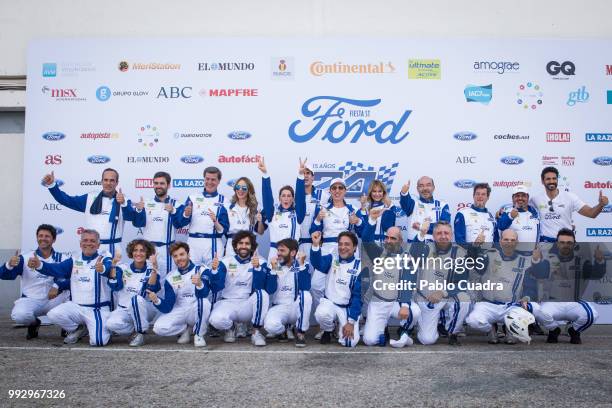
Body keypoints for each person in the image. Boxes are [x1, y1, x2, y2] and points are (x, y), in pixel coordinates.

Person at [465, 229, 551, 344]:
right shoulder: (489, 255)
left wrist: (526, 297)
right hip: (489, 305)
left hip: (511, 306)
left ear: (517, 242)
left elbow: (536, 279)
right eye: (506, 239)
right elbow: (470, 262)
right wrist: (475, 247)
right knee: (473, 321)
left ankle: (510, 327)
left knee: (536, 308)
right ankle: (491, 327)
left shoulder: (524, 260)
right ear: (500, 241)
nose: (509, 242)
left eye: (512, 240)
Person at [32, 229, 114, 346]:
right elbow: (58, 269)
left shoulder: (104, 258)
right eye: (85, 240)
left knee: (98, 342)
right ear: (80, 244)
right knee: (53, 314)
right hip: (76, 307)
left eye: (92, 241)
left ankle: (106, 328)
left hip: (97, 310)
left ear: (98, 244)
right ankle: (79, 329)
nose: (88, 243)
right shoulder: (74, 259)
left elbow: (107, 267)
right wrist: (40, 265)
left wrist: (103, 269)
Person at [309, 177, 362, 339]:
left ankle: (350, 320)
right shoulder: (324, 208)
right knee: (316, 285)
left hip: (347, 250)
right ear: (330, 191)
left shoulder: (352, 208)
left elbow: (362, 232)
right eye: (334, 188)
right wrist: (318, 219)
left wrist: (358, 221)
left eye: (340, 188)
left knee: (350, 286)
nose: (337, 191)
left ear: (345, 190)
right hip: (328, 251)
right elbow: (314, 230)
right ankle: (328, 324)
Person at [361, 211, 420, 348]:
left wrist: (405, 305)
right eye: (386, 237)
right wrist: (372, 220)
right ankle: (382, 334)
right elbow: (366, 239)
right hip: (378, 303)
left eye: (393, 238)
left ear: (400, 241)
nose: (388, 241)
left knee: (414, 311)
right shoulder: (378, 253)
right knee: (369, 340)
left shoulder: (407, 258)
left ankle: (404, 331)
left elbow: (408, 282)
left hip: (395, 303)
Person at [41, 168, 134, 256]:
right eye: (105, 180)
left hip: (114, 250)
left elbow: (133, 218)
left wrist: (124, 204)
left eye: (112, 180)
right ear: (101, 181)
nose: (108, 183)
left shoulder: (124, 200)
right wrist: (52, 186)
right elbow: (66, 200)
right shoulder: (90, 198)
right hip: (90, 248)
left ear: (117, 183)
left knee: (113, 273)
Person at [0, 224, 70, 339]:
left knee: (72, 295)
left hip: (54, 300)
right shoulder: (25, 257)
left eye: (47, 236)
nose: (43, 238)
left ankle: (68, 327)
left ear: (54, 239)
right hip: (31, 299)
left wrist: (58, 285)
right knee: (19, 316)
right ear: (37, 237)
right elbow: (5, 275)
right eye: (40, 236)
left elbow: (71, 279)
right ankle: (34, 323)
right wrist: (9, 265)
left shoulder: (63, 258)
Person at [540, 229, 605, 344]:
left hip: (574, 302)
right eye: (562, 242)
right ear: (557, 243)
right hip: (552, 302)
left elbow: (596, 274)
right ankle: (554, 330)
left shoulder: (582, 261)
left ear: (574, 244)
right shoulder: (547, 260)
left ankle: (574, 330)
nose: (565, 245)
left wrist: (599, 261)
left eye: (569, 243)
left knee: (592, 314)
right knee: (537, 312)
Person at [411, 221, 471, 346]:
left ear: (452, 235)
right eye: (439, 233)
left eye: (446, 233)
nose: (443, 236)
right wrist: (421, 234)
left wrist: (442, 292)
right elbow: (414, 253)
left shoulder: (460, 253)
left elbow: (462, 282)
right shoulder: (426, 247)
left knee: (464, 299)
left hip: (445, 296)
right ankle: (427, 322)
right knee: (427, 340)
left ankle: (452, 332)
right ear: (433, 236)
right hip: (426, 298)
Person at [208, 231, 271, 347]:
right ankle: (230, 328)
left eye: (247, 243)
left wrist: (257, 268)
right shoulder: (225, 261)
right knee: (215, 320)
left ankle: (256, 332)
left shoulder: (260, 261)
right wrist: (215, 271)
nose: (243, 246)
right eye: (240, 243)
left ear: (251, 246)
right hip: (228, 302)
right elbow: (217, 286)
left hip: (247, 305)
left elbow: (261, 286)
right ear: (235, 246)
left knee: (262, 294)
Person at [149, 242, 218, 347]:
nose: (179, 258)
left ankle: (199, 334)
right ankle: (186, 329)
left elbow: (204, 294)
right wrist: (156, 300)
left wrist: (199, 284)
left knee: (204, 303)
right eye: (175, 256)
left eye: (182, 254)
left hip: (195, 309)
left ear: (188, 255)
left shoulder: (202, 270)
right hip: (180, 310)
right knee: (158, 328)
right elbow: (167, 307)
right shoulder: (170, 277)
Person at [126, 172, 185, 275]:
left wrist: (173, 211)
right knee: (148, 280)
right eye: (156, 183)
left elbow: (180, 224)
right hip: (149, 250)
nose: (158, 186)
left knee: (167, 279)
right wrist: (139, 211)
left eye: (162, 183)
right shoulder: (146, 203)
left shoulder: (177, 204)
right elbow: (138, 224)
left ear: (168, 185)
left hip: (167, 250)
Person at [311, 231, 362, 348]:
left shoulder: (360, 267)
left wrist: (351, 322)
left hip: (347, 308)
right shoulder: (332, 259)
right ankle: (328, 329)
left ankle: (342, 325)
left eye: (347, 244)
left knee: (349, 343)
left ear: (354, 247)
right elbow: (317, 263)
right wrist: (315, 245)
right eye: (340, 244)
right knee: (321, 313)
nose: (342, 247)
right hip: (330, 303)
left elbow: (358, 297)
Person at [106, 239, 161, 347]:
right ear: (131, 252)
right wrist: (113, 264)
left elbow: (152, 288)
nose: (138, 253)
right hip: (124, 309)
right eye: (135, 250)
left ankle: (141, 333)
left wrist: (154, 267)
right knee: (110, 324)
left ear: (147, 253)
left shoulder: (151, 270)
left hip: (144, 309)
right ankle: (134, 331)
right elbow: (115, 286)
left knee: (136, 299)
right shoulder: (123, 268)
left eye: (142, 251)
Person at [531, 166, 609, 242]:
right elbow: (522, 209)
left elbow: (591, 213)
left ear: (557, 180)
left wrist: (601, 205)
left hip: (566, 242)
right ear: (542, 181)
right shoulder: (535, 199)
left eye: (554, 178)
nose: (552, 181)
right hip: (545, 243)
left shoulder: (570, 197)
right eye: (548, 179)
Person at [176, 166, 229, 266]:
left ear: (218, 181)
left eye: (213, 179)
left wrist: (215, 221)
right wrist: (186, 214)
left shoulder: (224, 201)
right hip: (193, 243)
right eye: (207, 179)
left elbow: (223, 230)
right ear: (204, 179)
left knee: (214, 275)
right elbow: (181, 222)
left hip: (213, 243)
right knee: (191, 275)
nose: (209, 182)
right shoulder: (193, 198)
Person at [263, 238, 312, 347]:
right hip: (279, 307)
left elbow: (306, 287)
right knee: (270, 326)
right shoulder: (274, 265)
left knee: (306, 295)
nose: (278, 254)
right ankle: (283, 330)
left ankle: (300, 333)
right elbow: (270, 290)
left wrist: (302, 265)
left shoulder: (303, 265)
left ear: (293, 252)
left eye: (282, 251)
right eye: (278, 251)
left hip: (296, 307)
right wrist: (273, 269)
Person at [258, 157, 306, 262]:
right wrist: (265, 174)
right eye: (283, 195)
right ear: (279, 198)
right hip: (275, 253)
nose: (286, 198)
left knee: (292, 278)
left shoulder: (298, 214)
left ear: (293, 199)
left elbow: (301, 197)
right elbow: (267, 197)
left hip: (292, 253)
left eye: (289, 196)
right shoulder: (272, 212)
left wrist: (300, 175)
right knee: (273, 278)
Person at [399, 177, 451, 242]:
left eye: (428, 185)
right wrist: (404, 193)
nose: (425, 188)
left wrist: (420, 227)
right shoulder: (413, 203)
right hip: (415, 246)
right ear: (417, 189)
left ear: (433, 187)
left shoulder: (442, 205)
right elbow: (405, 203)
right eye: (421, 186)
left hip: (436, 247)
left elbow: (443, 227)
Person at [225, 176, 261, 257]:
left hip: (249, 245)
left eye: (244, 188)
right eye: (238, 187)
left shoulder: (257, 208)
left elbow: (260, 231)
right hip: (231, 246)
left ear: (249, 190)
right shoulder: (227, 207)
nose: (240, 190)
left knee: (250, 269)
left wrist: (260, 221)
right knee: (231, 269)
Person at [496, 185, 540, 250]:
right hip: (513, 254)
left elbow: (538, 231)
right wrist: (510, 217)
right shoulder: (506, 210)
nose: (520, 198)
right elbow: (500, 226)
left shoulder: (534, 211)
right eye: (517, 196)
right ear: (512, 198)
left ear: (527, 197)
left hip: (531, 254)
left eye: (523, 195)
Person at [357, 180, 397, 244]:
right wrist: (363, 206)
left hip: (384, 245)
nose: (377, 194)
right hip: (368, 245)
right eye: (374, 191)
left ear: (384, 193)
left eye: (380, 191)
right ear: (370, 193)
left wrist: (389, 205)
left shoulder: (387, 208)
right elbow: (361, 232)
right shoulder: (365, 209)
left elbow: (388, 227)